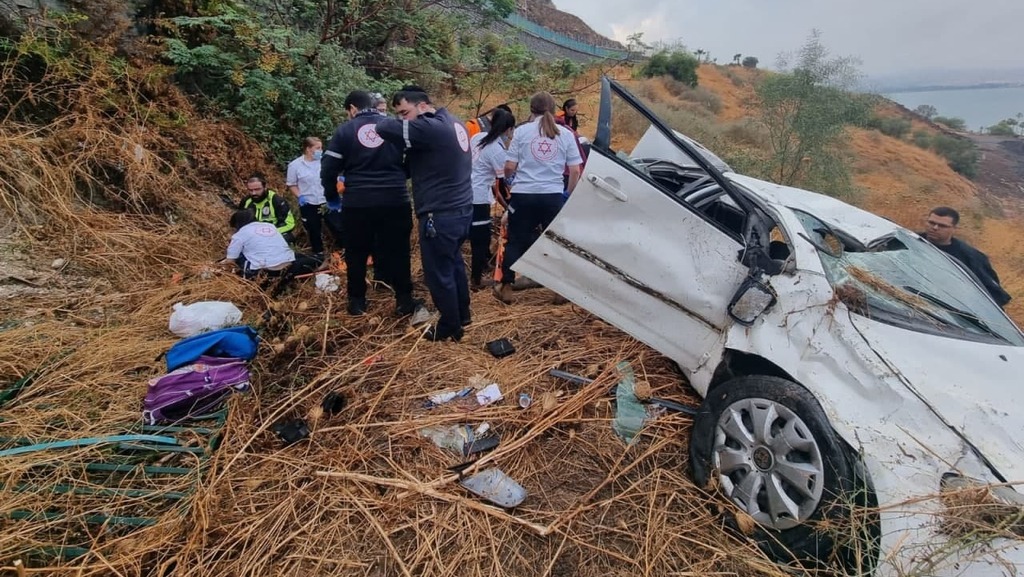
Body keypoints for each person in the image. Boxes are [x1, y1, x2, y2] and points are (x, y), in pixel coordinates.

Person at [376, 85, 473, 341]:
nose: (401, 118)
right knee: (453, 266)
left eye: (404, 112)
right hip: (460, 210)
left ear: (422, 106)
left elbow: (383, 128)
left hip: (439, 214)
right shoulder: (454, 122)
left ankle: (450, 326)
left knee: (438, 273)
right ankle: (462, 314)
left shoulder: (431, 127)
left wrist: (372, 116)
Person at [320, 90, 418, 317]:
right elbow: (415, 157)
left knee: (356, 252)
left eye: (348, 112)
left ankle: (357, 302)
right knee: (399, 250)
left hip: (358, 202)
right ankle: (404, 299)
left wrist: (332, 196)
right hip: (395, 199)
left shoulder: (345, 130)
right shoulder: (396, 126)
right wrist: (399, 175)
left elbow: (328, 169)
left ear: (353, 108)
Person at [493, 92, 583, 304]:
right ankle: (560, 290)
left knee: (515, 239)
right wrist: (566, 194)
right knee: (556, 242)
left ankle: (506, 286)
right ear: (554, 109)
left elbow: (509, 167)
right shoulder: (566, 134)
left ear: (531, 109)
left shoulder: (522, 132)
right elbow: (576, 171)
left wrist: (509, 178)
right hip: (552, 196)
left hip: (524, 195)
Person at [922, 206, 1011, 307]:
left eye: (942, 226)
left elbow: (992, 293)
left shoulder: (971, 257)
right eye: (931, 223)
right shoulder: (909, 240)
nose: (935, 228)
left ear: (954, 229)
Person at [219, 210, 319, 297]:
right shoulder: (270, 226)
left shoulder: (239, 235)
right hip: (290, 265)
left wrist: (216, 265)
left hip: (267, 272)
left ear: (237, 225)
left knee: (242, 258)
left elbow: (230, 260)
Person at [469, 108, 516, 289]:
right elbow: (504, 180)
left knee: (476, 235)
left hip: (464, 193)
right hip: (478, 198)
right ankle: (476, 280)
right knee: (480, 238)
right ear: (508, 129)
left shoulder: (477, 138)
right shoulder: (496, 150)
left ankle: (481, 267)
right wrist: (511, 204)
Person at [286, 137, 343, 256]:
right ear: (308, 149)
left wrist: (340, 181)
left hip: (327, 201)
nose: (320, 151)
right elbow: (292, 184)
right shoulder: (295, 165)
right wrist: (299, 196)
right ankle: (319, 253)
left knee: (338, 226)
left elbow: (334, 176)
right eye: (318, 148)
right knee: (313, 230)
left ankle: (343, 250)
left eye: (321, 148)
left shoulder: (325, 162)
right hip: (309, 203)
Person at [238, 173, 297, 243]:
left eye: (257, 189)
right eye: (251, 190)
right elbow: (240, 224)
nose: (254, 193)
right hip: (253, 236)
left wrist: (268, 234)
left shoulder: (276, 200)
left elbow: (289, 224)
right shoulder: (246, 201)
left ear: (265, 187)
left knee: (287, 238)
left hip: (274, 234)